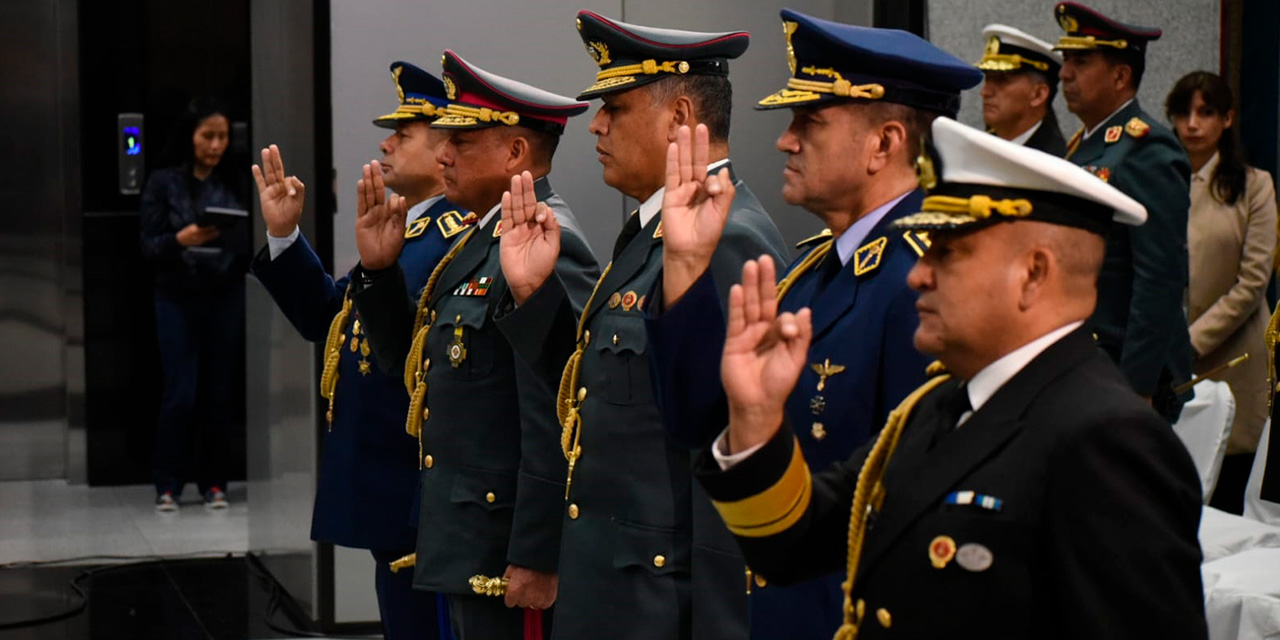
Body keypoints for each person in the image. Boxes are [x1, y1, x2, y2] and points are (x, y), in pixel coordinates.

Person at [697, 116, 1207, 638]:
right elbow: (796, 543)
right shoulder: (937, 404)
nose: (918, 273)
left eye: (948, 252)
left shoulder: (1107, 439)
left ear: (1033, 273)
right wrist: (757, 418)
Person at [642, 10, 980, 639]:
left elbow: (914, 510)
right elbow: (702, 421)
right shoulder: (816, 270)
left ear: (885, 143)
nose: (785, 140)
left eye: (810, 122)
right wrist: (686, 262)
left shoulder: (926, 282)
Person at [493, 12, 787, 640]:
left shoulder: (726, 240)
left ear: (681, 117)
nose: (595, 124)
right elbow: (605, 392)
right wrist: (534, 296)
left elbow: (724, 447)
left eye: (615, 108)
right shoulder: (652, 233)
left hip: (661, 601)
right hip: (615, 590)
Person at [351, 50, 600, 640]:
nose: (443, 154)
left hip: (504, 547)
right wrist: (381, 274)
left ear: (514, 152)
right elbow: (410, 364)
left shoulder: (546, 238)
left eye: (461, 141)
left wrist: (538, 551)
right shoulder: (480, 238)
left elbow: (557, 404)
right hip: (467, 533)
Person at [249, 61, 460, 639]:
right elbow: (329, 316)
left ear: (448, 149)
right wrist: (285, 237)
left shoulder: (455, 240)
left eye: (404, 133)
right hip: (383, 485)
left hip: (416, 486)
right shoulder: (408, 230)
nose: (386, 144)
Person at [1054, 1, 1194, 421]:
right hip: (1085, 358)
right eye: (1065, 61)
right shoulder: (1085, 145)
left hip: (1121, 367)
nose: (1064, 73)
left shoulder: (1147, 148)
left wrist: (1137, 388)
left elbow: (1160, 277)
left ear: (1120, 75)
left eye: (1080, 61)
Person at [1167, 70, 1278, 514]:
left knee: (1228, 495)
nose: (1192, 124)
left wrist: (1188, 342)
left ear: (1227, 119)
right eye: (1183, 113)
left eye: (1205, 113)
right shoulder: (1163, 180)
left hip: (1234, 357)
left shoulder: (1255, 185)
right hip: (1167, 364)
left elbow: (1253, 282)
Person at [139, 96, 249, 512]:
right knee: (180, 393)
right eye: (208, 136)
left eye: (222, 136)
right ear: (191, 136)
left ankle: (214, 483)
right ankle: (167, 483)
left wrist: (222, 238)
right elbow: (148, 246)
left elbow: (246, 240)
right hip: (176, 295)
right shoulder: (164, 180)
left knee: (219, 393)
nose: (216, 145)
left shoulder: (235, 178)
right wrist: (180, 240)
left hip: (224, 294)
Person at [976, 24, 1067, 155]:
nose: (985, 92)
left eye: (1001, 80)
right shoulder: (979, 150)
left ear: (1038, 95)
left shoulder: (1055, 163)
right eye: (988, 79)